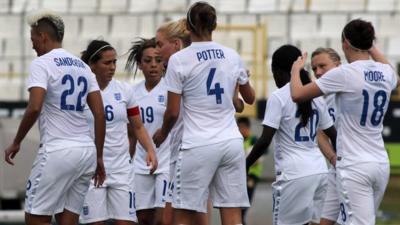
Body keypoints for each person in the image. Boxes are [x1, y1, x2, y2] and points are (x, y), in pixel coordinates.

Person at [153, 2, 255, 225]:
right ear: (215, 25)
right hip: (231, 141)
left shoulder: (180, 59)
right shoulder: (232, 55)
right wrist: (236, 90)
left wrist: (162, 133)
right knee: (232, 215)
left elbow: (172, 112)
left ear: (188, 27)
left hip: (197, 143)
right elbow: (250, 99)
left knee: (184, 216)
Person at [290, 19, 399, 225]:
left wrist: (296, 69)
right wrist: (371, 47)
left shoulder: (346, 73)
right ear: (369, 43)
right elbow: (396, 77)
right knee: (328, 220)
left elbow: (297, 94)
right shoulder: (386, 73)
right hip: (379, 162)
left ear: (345, 44)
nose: (320, 71)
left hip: (354, 165)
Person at [3, 11, 106, 225]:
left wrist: (16, 141)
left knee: (35, 217)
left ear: (43, 36)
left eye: (33, 40)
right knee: (68, 220)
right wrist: (98, 156)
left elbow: (34, 107)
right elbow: (99, 113)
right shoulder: (84, 67)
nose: (32, 46)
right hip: (86, 151)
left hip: (58, 151)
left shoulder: (42, 64)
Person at [246, 44, 337, 225]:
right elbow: (334, 135)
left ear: (279, 71)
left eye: (273, 72)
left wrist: (245, 165)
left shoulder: (279, 97)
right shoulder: (315, 95)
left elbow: (265, 140)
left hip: (293, 174)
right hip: (319, 171)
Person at [79, 40, 158, 225]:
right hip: (91, 169)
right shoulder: (81, 92)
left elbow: (138, 126)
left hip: (121, 168)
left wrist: (151, 150)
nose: (113, 67)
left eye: (114, 62)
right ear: (92, 64)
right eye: (107, 63)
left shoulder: (124, 91)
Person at [125, 37, 168, 225]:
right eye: (147, 60)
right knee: (142, 218)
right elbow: (131, 134)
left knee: (163, 220)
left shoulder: (171, 90)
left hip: (167, 162)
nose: (153, 65)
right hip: (141, 164)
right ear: (140, 64)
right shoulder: (131, 92)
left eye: (158, 60)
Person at [311, 47, 341, 225]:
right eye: (314, 69)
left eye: (323, 66)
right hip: (335, 167)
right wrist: (332, 157)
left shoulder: (351, 89)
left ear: (338, 65)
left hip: (357, 165)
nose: (318, 72)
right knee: (320, 220)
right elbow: (320, 133)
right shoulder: (318, 97)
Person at [237, 116, 262, 225]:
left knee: (246, 202)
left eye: (242, 128)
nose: (241, 130)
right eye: (239, 128)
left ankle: (241, 220)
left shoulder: (254, 140)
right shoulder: (237, 140)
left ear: (247, 127)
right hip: (238, 177)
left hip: (251, 176)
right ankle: (240, 221)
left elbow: (258, 160)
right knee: (238, 204)